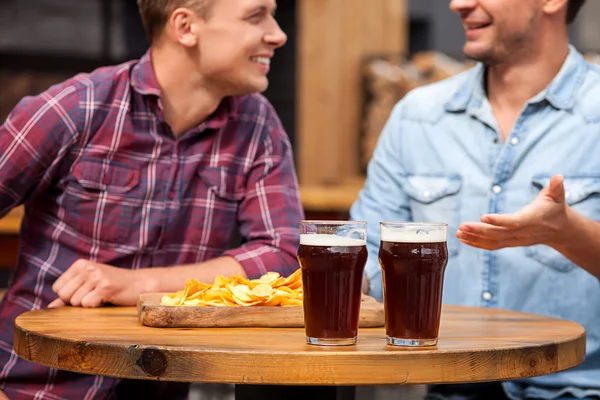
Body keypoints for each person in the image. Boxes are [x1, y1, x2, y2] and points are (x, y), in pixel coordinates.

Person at [0, 0, 303, 398]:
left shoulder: (257, 125)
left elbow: (282, 254)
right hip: (33, 387)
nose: (278, 34)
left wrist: (139, 285)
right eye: (255, 15)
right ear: (185, 27)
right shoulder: (77, 107)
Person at [351, 0, 600, 399]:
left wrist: (567, 232)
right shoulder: (416, 116)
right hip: (445, 389)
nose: (459, 4)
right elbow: (367, 258)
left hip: (577, 390)